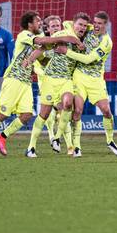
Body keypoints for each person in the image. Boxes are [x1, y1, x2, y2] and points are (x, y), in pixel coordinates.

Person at [0, 11, 83, 159]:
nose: (40, 23)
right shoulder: (24, 35)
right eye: (37, 21)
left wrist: (56, 63)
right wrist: (64, 38)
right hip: (14, 78)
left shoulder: (39, 42)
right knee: (3, 114)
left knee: (27, 115)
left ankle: (1, 137)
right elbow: (42, 41)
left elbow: (42, 59)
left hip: (26, 81)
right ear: (30, 24)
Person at [55, 11, 117, 157]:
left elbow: (88, 59)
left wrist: (66, 51)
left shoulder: (106, 42)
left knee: (106, 111)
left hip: (96, 80)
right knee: (77, 111)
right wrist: (74, 38)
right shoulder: (89, 28)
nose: (96, 26)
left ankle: (110, 141)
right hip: (79, 76)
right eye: (95, 22)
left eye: (100, 23)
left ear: (106, 25)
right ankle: (77, 147)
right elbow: (67, 23)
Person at [25, 13, 89, 158]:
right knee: (44, 114)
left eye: (84, 26)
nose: (82, 28)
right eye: (80, 25)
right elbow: (41, 49)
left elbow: (83, 38)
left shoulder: (83, 37)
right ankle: (31, 147)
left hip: (66, 80)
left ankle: (58, 138)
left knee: (67, 104)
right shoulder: (58, 37)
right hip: (49, 80)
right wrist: (29, 60)